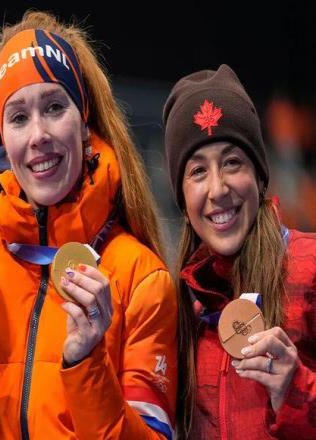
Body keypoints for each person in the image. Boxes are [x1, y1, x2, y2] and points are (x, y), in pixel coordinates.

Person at [0, 10, 177, 440]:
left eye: (54, 107)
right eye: (18, 117)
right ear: (2, 138)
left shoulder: (140, 278)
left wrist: (87, 361)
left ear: (84, 122)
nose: (38, 134)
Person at [163, 64, 316, 439]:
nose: (217, 189)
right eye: (198, 171)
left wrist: (297, 390)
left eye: (232, 162)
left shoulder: (310, 266)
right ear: (182, 198)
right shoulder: (180, 309)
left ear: (259, 176)